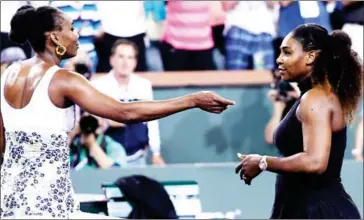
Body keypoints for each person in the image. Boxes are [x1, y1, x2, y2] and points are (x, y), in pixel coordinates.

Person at [0, 5, 234, 219]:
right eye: (71, 29)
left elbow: (2, 144)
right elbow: (125, 112)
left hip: (10, 200)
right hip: (47, 204)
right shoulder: (64, 79)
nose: (77, 34)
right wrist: (192, 100)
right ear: (54, 37)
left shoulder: (8, 75)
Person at [235, 23, 362, 219]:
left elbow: (314, 162)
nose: (279, 60)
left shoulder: (315, 99)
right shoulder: (313, 96)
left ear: (311, 56)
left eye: (287, 53)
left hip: (318, 212)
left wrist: (263, 162)